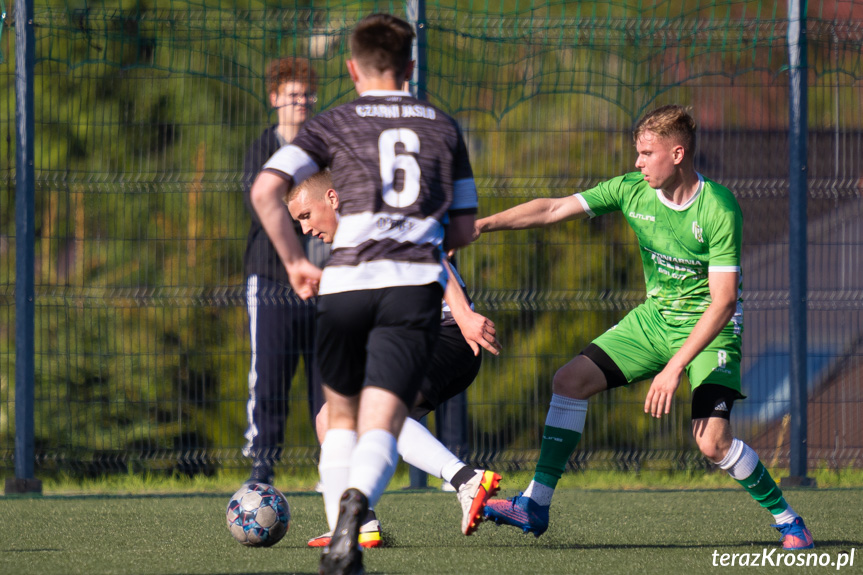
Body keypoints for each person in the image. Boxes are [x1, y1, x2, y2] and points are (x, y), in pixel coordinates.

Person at [476, 105, 814, 551]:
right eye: (637, 153)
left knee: (712, 443)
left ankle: (790, 521)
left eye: (646, 153)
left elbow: (724, 301)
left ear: (677, 154)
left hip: (710, 328)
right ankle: (535, 504)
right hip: (653, 320)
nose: (637, 162)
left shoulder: (718, 208)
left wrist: (675, 367)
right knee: (569, 381)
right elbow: (555, 208)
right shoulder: (630, 189)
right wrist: (483, 224)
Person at [249, 13, 479, 574]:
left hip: (348, 285)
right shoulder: (443, 128)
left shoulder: (332, 124)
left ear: (351, 69)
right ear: (410, 67)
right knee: (381, 421)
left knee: (339, 417)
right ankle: (358, 512)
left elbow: (265, 189)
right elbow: (466, 230)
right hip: (409, 289)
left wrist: (297, 263)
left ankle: (345, 535)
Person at [284, 172, 502, 549]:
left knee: (375, 411)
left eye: (305, 215)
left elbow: (431, 252)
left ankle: (468, 479)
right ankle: (360, 524)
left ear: (332, 198)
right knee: (330, 419)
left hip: (448, 337)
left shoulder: (370, 221)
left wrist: (463, 313)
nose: (304, 230)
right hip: (421, 344)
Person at [240, 57, 329, 485]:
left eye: (308, 94)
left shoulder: (324, 150)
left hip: (327, 284)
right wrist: (308, 212)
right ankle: (262, 467)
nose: (302, 102)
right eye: (293, 95)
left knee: (328, 379)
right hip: (274, 281)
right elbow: (263, 205)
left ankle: (331, 466)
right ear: (275, 99)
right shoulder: (263, 150)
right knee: (270, 375)